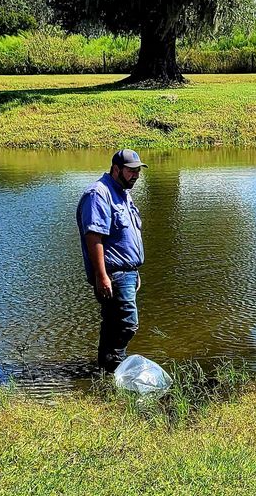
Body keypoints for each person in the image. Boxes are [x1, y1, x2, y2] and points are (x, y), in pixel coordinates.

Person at [76, 149, 147, 373]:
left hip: (127, 273)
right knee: (127, 324)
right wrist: (102, 276)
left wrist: (134, 271)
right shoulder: (98, 194)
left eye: (137, 171)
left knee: (112, 325)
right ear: (116, 169)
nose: (135, 175)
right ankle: (117, 368)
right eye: (131, 171)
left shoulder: (123, 192)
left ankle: (105, 371)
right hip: (113, 275)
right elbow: (93, 236)